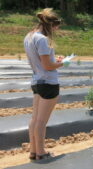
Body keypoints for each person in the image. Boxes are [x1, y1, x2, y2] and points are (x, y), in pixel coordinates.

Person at [23, 8, 70, 160]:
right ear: (51, 25)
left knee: (35, 119)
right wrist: (63, 62)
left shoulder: (29, 37)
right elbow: (47, 66)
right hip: (48, 83)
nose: (56, 30)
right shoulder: (43, 39)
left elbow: (41, 61)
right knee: (41, 122)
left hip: (36, 81)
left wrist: (54, 59)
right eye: (56, 27)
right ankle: (41, 153)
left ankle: (33, 151)